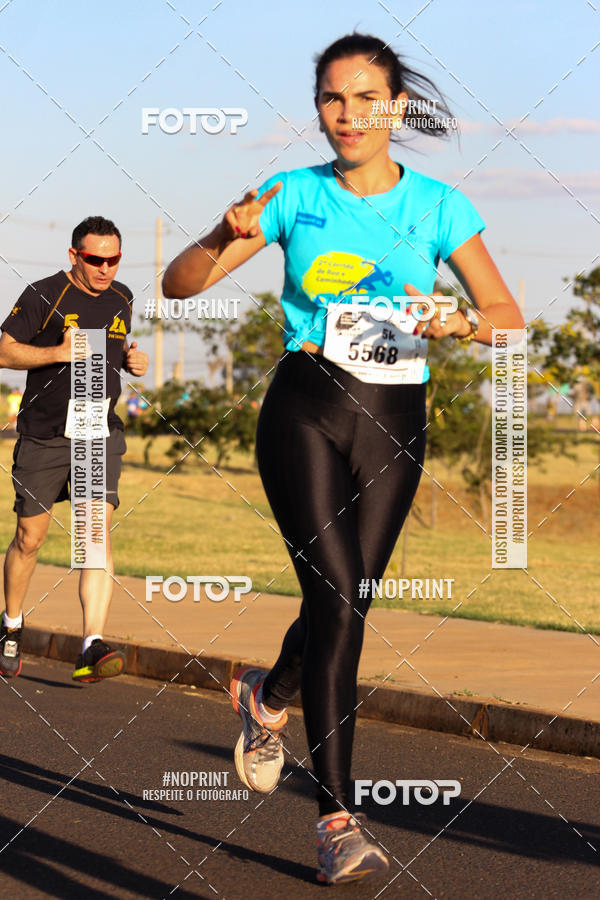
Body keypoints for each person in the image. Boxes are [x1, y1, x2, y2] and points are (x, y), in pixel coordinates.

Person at [163, 33, 524, 886]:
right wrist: (223, 230)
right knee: (335, 596)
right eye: (332, 98)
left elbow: (508, 314)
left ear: (395, 107)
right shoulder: (288, 193)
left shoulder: (440, 206)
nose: (347, 114)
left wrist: (461, 322)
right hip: (307, 407)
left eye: (365, 98)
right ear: (318, 105)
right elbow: (179, 284)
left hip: (398, 421)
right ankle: (336, 821)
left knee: (348, 600)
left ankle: (269, 695)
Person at [0, 216, 148, 682]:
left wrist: (131, 361)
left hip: (95, 431)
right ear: (74, 256)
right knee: (30, 539)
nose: (105, 268)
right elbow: (5, 351)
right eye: (94, 259)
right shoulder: (43, 295)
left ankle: (91, 645)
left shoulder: (122, 297)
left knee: (95, 536)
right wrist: (56, 354)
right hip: (44, 433)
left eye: (113, 259)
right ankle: (11, 626)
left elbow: (114, 352)